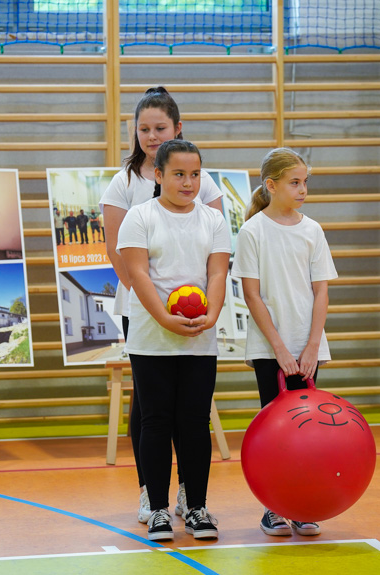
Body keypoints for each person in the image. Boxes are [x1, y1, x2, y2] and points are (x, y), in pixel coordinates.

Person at [99, 86, 224, 525]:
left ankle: (192, 496)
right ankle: (149, 496)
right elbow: (121, 254)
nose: (152, 136)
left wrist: (197, 309)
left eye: (161, 128)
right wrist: (153, 305)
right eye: (144, 129)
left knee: (190, 413)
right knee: (150, 407)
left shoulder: (200, 183)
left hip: (193, 314)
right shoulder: (125, 185)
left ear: (177, 128)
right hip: (144, 307)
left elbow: (215, 258)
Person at [118, 139, 230, 541]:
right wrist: (164, 317)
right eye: (179, 174)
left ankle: (197, 507)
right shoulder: (139, 217)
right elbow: (139, 276)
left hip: (199, 338)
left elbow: (217, 274)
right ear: (159, 175)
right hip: (151, 338)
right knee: (156, 420)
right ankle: (160, 510)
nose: (188, 182)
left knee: (195, 422)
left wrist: (212, 315)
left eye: (195, 174)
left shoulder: (213, 221)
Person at [230, 147, 338, 537]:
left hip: (307, 349)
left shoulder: (313, 231)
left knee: (308, 432)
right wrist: (278, 348)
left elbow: (321, 293)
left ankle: (302, 506)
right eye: (295, 182)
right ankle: (273, 508)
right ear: (271, 185)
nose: (303, 189)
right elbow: (252, 295)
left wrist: (311, 347)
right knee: (276, 433)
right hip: (269, 350)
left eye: (305, 181)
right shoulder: (253, 231)